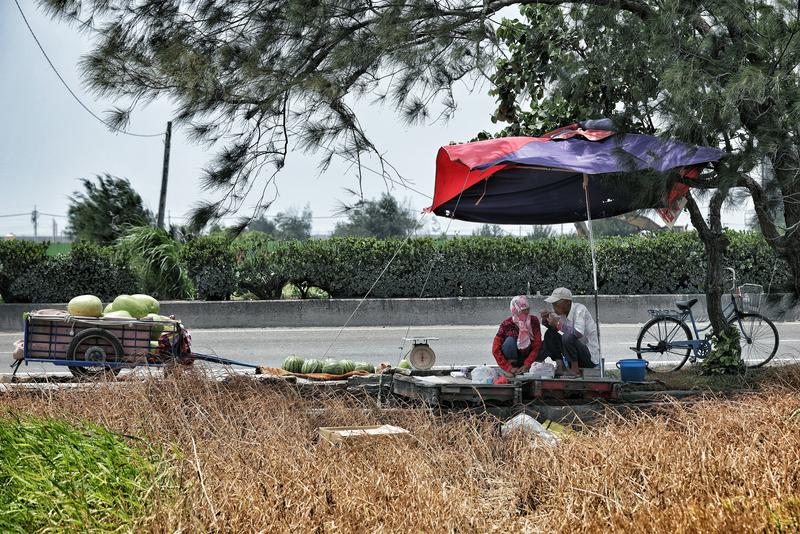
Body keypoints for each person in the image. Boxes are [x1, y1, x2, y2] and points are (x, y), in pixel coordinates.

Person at [540, 287, 598, 377]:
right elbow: (556, 331)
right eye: (553, 304)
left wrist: (558, 324)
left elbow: (578, 333)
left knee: (567, 337)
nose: (554, 307)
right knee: (550, 334)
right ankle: (560, 366)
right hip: (574, 355)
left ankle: (575, 370)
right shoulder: (562, 314)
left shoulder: (580, 310)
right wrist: (546, 321)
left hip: (588, 357)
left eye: (556, 304)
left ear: (567, 303)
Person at [491, 295, 543, 377]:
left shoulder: (533, 321)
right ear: (515, 311)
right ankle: (512, 369)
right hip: (512, 360)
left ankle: (524, 368)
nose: (527, 313)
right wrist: (508, 367)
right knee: (510, 341)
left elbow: (537, 344)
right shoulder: (506, 324)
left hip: (527, 358)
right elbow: (495, 349)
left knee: (543, 345)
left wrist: (527, 364)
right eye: (523, 311)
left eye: (528, 309)